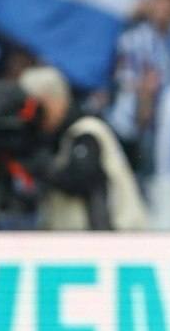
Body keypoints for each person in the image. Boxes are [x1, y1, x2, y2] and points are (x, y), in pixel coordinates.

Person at [19, 66, 151, 231]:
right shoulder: (53, 137)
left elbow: (80, 179)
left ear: (55, 100)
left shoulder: (87, 130)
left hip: (118, 241)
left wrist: (37, 160)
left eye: (38, 105)